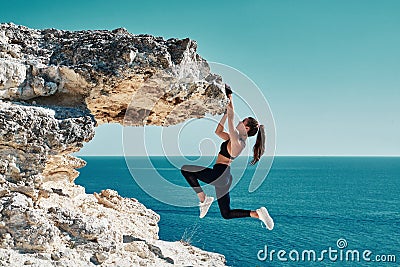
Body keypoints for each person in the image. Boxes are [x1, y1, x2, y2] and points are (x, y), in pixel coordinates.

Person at [180, 85, 274, 230]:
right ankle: (256, 214)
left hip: (220, 174)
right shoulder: (236, 139)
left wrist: (230, 97)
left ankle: (203, 198)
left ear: (246, 128)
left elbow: (231, 116)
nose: (240, 121)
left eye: (243, 121)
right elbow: (218, 131)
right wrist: (224, 114)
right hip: (225, 176)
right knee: (226, 213)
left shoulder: (237, 141)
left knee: (186, 170)